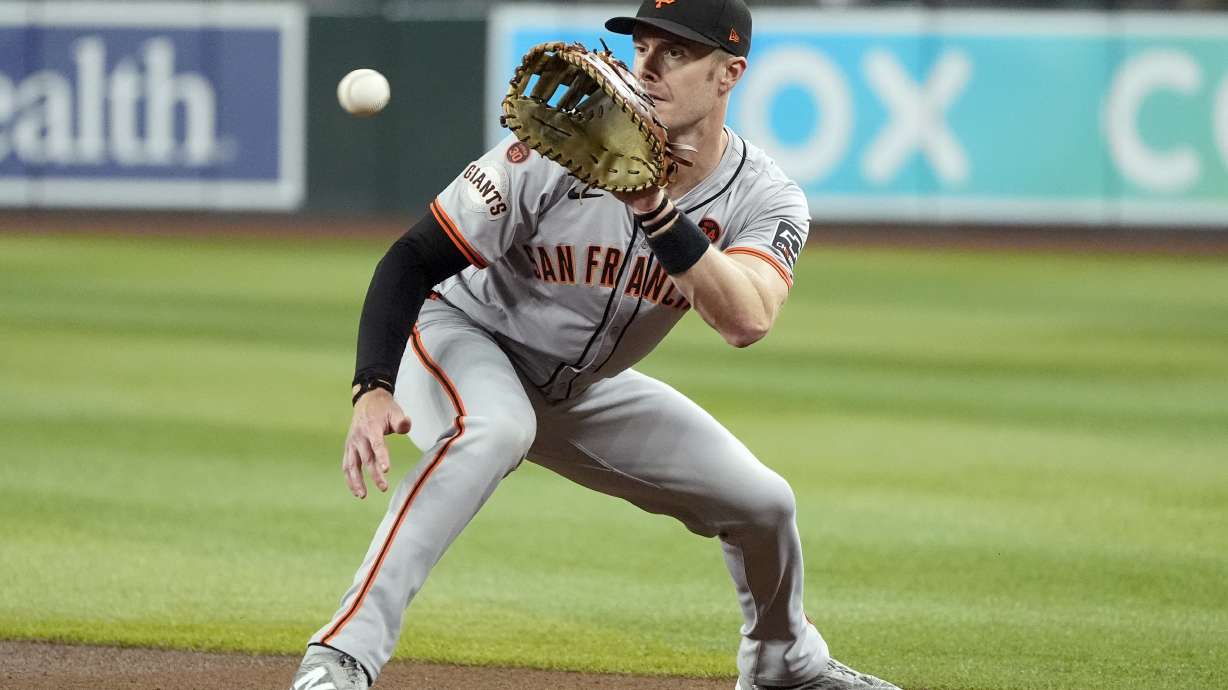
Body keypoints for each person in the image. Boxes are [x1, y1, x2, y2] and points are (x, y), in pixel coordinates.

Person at [290, 1, 902, 689]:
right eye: (643, 46)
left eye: (676, 51)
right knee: (495, 427)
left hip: (581, 387)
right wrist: (373, 384)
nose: (648, 64)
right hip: (462, 336)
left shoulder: (765, 197)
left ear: (729, 73)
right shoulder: (562, 147)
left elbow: (746, 320)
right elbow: (410, 260)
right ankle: (343, 656)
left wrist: (655, 210)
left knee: (764, 504)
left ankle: (784, 660)